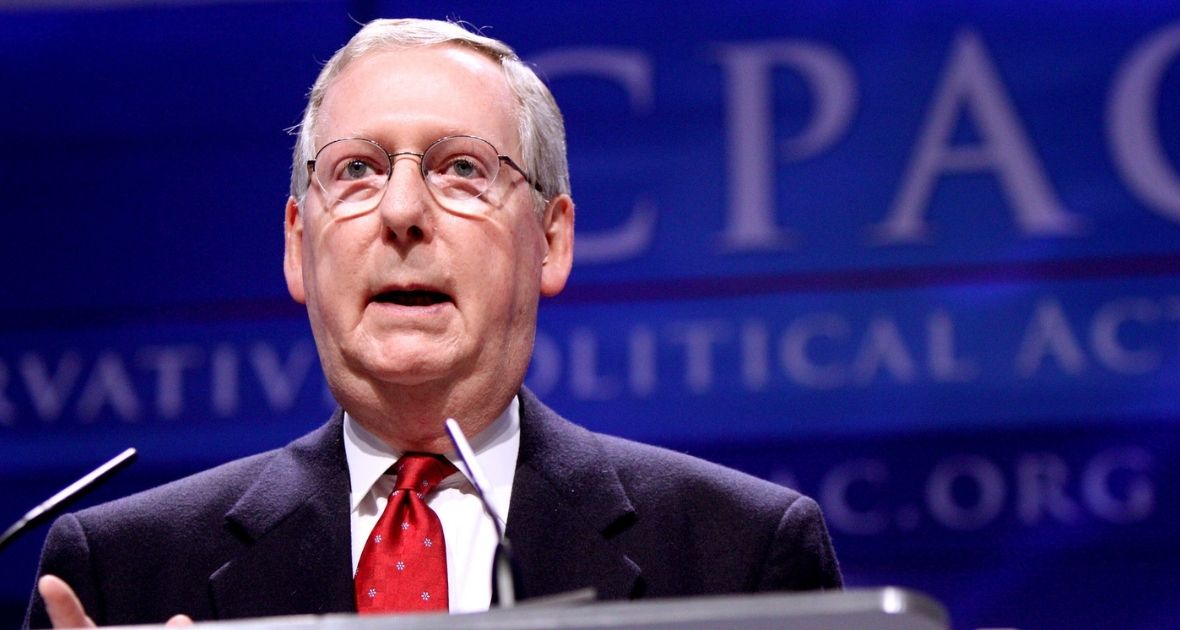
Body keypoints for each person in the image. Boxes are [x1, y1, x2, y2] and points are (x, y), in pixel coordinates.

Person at [25, 18, 841, 628]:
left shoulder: (740, 557)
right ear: (298, 247)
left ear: (550, 241)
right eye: (356, 171)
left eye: (461, 169)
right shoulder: (120, 573)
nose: (404, 211)